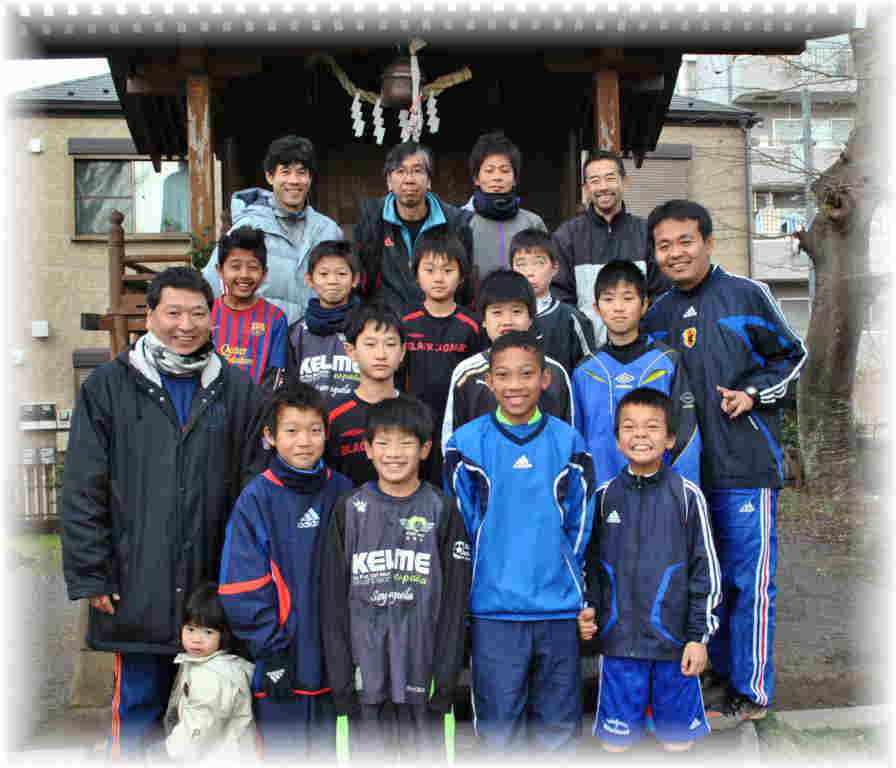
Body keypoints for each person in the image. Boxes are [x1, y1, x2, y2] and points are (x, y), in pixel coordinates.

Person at [60, 267, 263, 758]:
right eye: (173, 313)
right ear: (149, 315)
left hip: (210, 590)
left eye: (197, 313)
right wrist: (92, 573)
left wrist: (244, 577)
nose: (185, 325)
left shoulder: (238, 390)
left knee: (213, 724)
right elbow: (83, 485)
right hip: (136, 584)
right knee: (138, 715)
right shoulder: (108, 386)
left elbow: (254, 492)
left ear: (213, 318)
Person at [642, 199, 807, 725]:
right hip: (684, 477)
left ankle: (751, 690)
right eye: (663, 245)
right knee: (697, 581)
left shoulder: (746, 294)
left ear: (708, 243)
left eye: (685, 241)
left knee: (747, 581)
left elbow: (793, 356)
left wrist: (753, 394)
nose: (675, 253)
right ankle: (707, 684)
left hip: (745, 467)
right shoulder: (656, 314)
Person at [444, 330, 596, 753]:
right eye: (504, 375)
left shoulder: (568, 442)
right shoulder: (466, 444)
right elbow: (461, 529)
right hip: (493, 610)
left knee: (559, 728)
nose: (515, 385)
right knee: (498, 729)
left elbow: (581, 525)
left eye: (526, 374)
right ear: (488, 381)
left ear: (545, 379)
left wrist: (575, 589)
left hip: (556, 609)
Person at [320, 395, 471, 760]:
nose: (394, 453)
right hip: (364, 677)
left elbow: (455, 602)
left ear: (425, 449)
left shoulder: (442, 510)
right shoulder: (348, 509)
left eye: (406, 443)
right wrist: (341, 678)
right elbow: (331, 600)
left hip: (424, 674)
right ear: (368, 449)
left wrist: (445, 676)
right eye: (384, 443)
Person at [578, 388, 720, 753]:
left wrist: (698, 638)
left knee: (677, 744)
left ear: (670, 438)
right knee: (616, 745)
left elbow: (706, 572)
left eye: (652, 426)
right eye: (629, 426)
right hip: (619, 647)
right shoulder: (604, 497)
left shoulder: (687, 496)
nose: (640, 434)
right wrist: (589, 608)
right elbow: (590, 565)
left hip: (674, 647)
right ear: (617, 439)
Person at [218, 384, 353, 757]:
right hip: (283, 659)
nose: (304, 441)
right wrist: (271, 649)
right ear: (271, 436)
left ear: (326, 433)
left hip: (336, 660)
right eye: (291, 430)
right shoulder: (257, 498)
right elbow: (240, 585)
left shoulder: (343, 491)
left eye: (314, 430)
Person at [572, 259, 701, 486]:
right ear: (597, 308)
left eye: (628, 298)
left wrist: (682, 494)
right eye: (608, 299)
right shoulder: (585, 371)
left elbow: (686, 435)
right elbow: (576, 441)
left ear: (644, 305)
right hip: (601, 491)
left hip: (659, 492)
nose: (618, 307)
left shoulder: (666, 363)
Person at [202, 135, 343, 323]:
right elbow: (212, 284)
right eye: (285, 172)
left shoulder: (329, 231)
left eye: (301, 173)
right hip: (261, 334)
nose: (294, 180)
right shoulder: (248, 226)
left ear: (309, 178)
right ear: (270, 177)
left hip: (314, 335)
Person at [441, 269, 573, 452]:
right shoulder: (466, 373)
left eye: (517, 311)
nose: (507, 321)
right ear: (483, 320)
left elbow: (568, 438)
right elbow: (452, 441)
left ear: (531, 318)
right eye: (497, 312)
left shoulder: (554, 372)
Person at [551, 149, 669, 339]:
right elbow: (559, 297)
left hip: (640, 346)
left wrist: (636, 335)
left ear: (624, 181)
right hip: (586, 348)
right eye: (595, 181)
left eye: (610, 178)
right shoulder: (567, 236)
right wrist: (583, 337)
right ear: (586, 189)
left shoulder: (646, 233)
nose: (603, 187)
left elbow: (661, 294)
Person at [402, 227, 485, 485]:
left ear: (461, 277)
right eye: (429, 270)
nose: (439, 278)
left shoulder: (473, 325)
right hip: (413, 424)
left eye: (448, 270)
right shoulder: (404, 322)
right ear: (416, 274)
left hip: (458, 423)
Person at [355, 141, 474, 311]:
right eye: (400, 171)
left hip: (440, 319)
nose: (409, 180)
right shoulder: (372, 220)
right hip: (387, 321)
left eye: (417, 171)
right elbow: (363, 280)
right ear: (389, 181)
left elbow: (465, 285)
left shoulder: (456, 223)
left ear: (429, 181)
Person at [163, 582, 256, 761]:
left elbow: (200, 724)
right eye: (190, 629)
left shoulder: (212, 675)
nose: (196, 639)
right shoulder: (201, 663)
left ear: (224, 634)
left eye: (208, 632)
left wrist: (167, 752)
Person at [326, 302, 405, 487]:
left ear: (402, 352)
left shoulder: (417, 413)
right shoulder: (333, 416)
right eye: (370, 344)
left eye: (390, 344)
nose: (381, 354)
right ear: (351, 351)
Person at [284, 239, 361, 404]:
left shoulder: (367, 326)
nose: (332, 281)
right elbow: (289, 388)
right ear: (309, 280)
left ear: (355, 279)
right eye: (324, 274)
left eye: (342, 274)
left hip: (358, 417)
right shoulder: (296, 332)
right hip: (311, 418)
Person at [210, 225, 288, 386]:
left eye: (253, 267)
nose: (244, 275)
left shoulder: (275, 318)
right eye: (235, 267)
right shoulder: (206, 312)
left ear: (264, 273)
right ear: (220, 270)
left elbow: (275, 375)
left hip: (256, 401)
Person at [462, 131, 547, 280]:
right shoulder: (463, 221)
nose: (497, 177)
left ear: (515, 179)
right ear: (476, 178)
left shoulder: (533, 222)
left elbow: (546, 270)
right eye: (489, 171)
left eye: (505, 170)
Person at [510, 227, 595, 374]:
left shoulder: (572, 318)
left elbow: (589, 372)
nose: (529, 272)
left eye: (538, 263)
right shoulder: (501, 318)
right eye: (521, 264)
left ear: (555, 268)